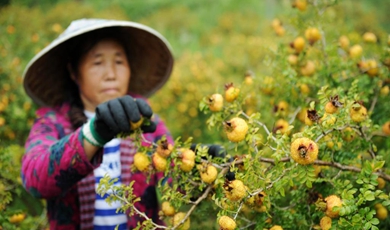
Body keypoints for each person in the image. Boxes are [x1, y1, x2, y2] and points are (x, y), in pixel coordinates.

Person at [21, 18, 225, 230]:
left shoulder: (147, 122)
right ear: (74, 72)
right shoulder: (53, 123)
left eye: (119, 62)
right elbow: (34, 178)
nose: (111, 75)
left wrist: (195, 172)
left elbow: (170, 181)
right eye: (97, 63)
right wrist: (94, 133)